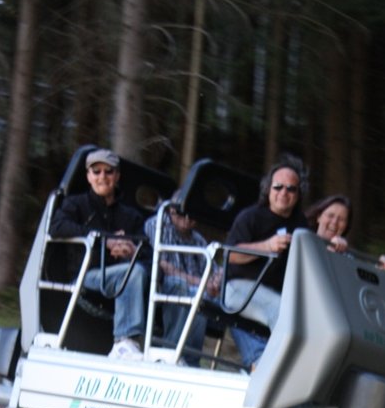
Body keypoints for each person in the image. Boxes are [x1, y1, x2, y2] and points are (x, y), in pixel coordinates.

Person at [50, 148, 150, 360]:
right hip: (87, 275)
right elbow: (57, 227)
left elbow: (148, 255)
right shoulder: (75, 204)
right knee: (131, 273)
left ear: (117, 176)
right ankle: (124, 342)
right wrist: (106, 240)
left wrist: (131, 250)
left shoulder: (131, 216)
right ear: (88, 176)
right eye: (96, 171)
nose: (102, 177)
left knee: (165, 282)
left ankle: (173, 352)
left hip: (123, 272)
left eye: (108, 171)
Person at [225, 153, 309, 370]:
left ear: (299, 194)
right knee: (283, 312)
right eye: (278, 187)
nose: (284, 193)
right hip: (238, 288)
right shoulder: (251, 216)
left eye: (291, 189)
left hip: (277, 294)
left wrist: (335, 244)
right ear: (268, 189)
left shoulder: (301, 224)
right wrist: (267, 246)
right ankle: (272, 370)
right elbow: (230, 254)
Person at [144, 193, 220, 366]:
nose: (187, 219)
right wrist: (201, 283)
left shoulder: (198, 239)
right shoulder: (157, 225)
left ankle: (191, 361)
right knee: (188, 290)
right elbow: (159, 263)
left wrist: (215, 280)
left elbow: (214, 269)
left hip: (194, 288)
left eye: (192, 215)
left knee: (208, 296)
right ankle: (171, 354)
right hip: (162, 284)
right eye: (182, 213)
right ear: (171, 210)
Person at [306, 193, 385, 270]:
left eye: (341, 219)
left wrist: (379, 267)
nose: (334, 222)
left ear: (346, 226)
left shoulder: (349, 257)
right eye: (330, 215)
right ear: (319, 217)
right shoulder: (304, 242)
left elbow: (360, 277)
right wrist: (328, 250)